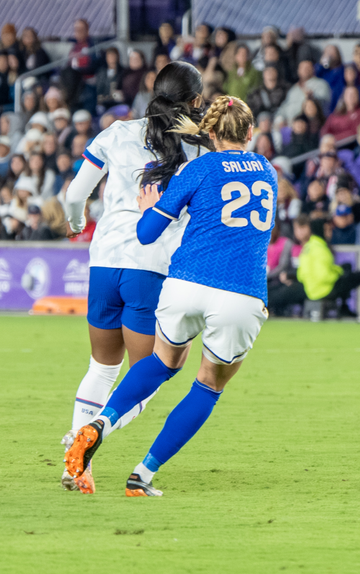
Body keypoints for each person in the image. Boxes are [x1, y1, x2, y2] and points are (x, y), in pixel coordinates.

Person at [64, 95, 275, 497]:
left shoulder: (197, 168)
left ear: (210, 133)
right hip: (240, 293)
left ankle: (98, 424)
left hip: (184, 284)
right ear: (250, 133)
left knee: (163, 361)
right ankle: (142, 474)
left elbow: (146, 234)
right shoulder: (267, 171)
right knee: (208, 384)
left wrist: (150, 208)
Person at [60, 62, 212, 494]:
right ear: (195, 101)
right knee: (147, 376)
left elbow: (75, 194)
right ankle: (85, 443)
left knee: (101, 367)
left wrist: (75, 223)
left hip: (105, 261)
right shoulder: (200, 149)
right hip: (153, 266)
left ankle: (76, 464)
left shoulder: (116, 132)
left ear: (153, 88)